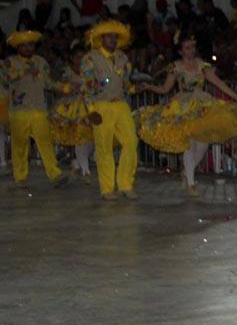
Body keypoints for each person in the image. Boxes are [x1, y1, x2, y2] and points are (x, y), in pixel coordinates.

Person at [138, 35, 237, 195]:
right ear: (180, 51)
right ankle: (191, 183)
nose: (191, 50)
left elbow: (218, 82)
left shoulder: (202, 65)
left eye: (192, 47)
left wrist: (235, 96)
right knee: (189, 143)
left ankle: (188, 171)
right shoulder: (175, 67)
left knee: (203, 143)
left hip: (202, 104)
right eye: (187, 48)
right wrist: (149, 87)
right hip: (183, 106)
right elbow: (165, 89)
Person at [80, 20, 141, 199]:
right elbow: (86, 87)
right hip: (101, 105)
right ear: (101, 38)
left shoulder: (123, 58)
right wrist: (91, 110)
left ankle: (126, 185)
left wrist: (135, 88)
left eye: (115, 37)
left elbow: (126, 84)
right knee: (104, 148)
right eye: (109, 37)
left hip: (121, 104)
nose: (113, 40)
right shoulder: (90, 59)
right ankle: (107, 189)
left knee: (131, 142)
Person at [1, 30, 66, 189]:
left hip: (39, 109)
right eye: (24, 46)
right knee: (20, 146)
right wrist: (23, 72)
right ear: (18, 47)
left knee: (45, 143)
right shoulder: (10, 62)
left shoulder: (41, 62)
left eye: (30, 45)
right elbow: (4, 78)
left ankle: (55, 174)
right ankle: (20, 178)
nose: (28, 48)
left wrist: (64, 88)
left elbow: (48, 82)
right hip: (19, 111)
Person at [49, 41, 95, 181]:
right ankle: (86, 171)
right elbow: (60, 89)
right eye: (77, 57)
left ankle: (77, 163)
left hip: (89, 107)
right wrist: (70, 88)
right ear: (72, 58)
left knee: (93, 139)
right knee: (79, 138)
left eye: (83, 57)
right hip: (72, 110)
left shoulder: (90, 71)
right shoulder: (67, 72)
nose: (80, 60)